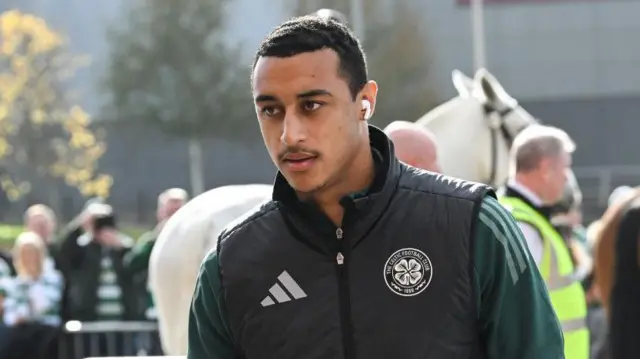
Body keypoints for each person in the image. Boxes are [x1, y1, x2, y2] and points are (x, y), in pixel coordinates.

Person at [187, 16, 562, 359]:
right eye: (270, 110)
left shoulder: (474, 226)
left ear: (365, 102)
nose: (290, 133)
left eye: (312, 105)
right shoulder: (229, 266)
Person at [498, 124, 589, 359]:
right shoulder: (522, 223)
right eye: (565, 168)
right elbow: (511, 313)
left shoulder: (522, 216)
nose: (567, 178)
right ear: (546, 168)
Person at [0, 232, 63, 359]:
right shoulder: (13, 283)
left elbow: (45, 306)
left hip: (47, 333)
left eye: (32, 253)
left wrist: (34, 279)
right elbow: (10, 312)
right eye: (24, 254)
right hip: (19, 334)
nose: (29, 258)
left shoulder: (53, 279)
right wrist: (18, 318)